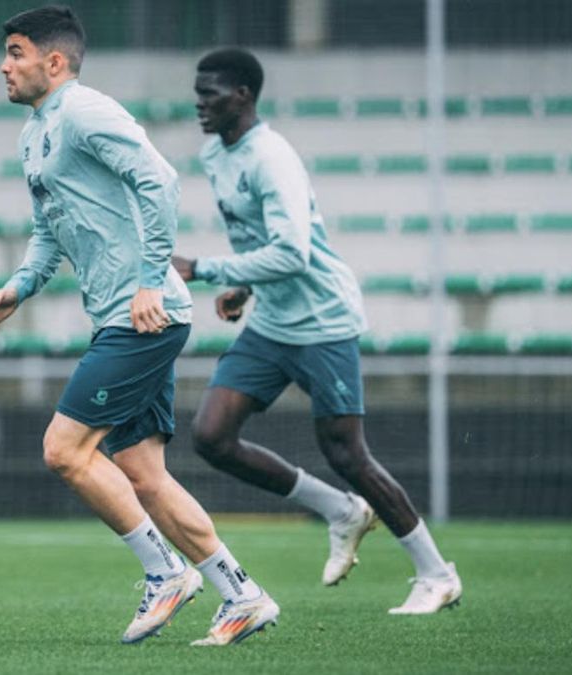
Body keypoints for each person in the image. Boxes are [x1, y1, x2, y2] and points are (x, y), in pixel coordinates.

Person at [0, 7, 278, 647]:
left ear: (53, 62)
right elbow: (48, 231)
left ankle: (164, 572)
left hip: (144, 315)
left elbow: (160, 181)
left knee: (63, 450)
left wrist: (148, 279)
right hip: (125, 316)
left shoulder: (86, 111)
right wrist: (18, 288)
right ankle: (241, 593)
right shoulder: (33, 135)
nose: (3, 66)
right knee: (144, 474)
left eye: (15, 52)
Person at [171, 47, 462, 615]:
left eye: (210, 93)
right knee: (211, 436)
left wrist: (207, 270)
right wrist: (246, 286)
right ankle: (339, 510)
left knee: (348, 454)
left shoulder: (272, 157)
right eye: (198, 91)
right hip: (274, 322)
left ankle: (437, 573)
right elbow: (264, 241)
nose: (199, 102)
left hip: (324, 322)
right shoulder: (216, 154)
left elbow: (294, 252)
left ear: (243, 96)